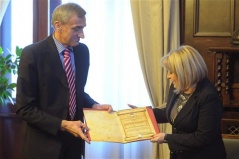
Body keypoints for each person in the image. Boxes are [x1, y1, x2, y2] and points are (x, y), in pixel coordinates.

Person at [16, 3, 112, 159]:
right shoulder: (33, 53)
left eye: (83, 28)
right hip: (43, 145)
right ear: (58, 26)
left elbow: (74, 91)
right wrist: (64, 124)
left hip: (73, 144)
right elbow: (24, 108)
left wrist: (94, 105)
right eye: (76, 29)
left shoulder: (82, 51)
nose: (82, 35)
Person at [129, 45, 227, 159]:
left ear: (184, 72)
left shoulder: (208, 96)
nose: (168, 76)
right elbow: (174, 113)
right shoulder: (177, 87)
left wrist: (166, 138)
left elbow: (202, 137)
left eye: (171, 72)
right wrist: (144, 114)